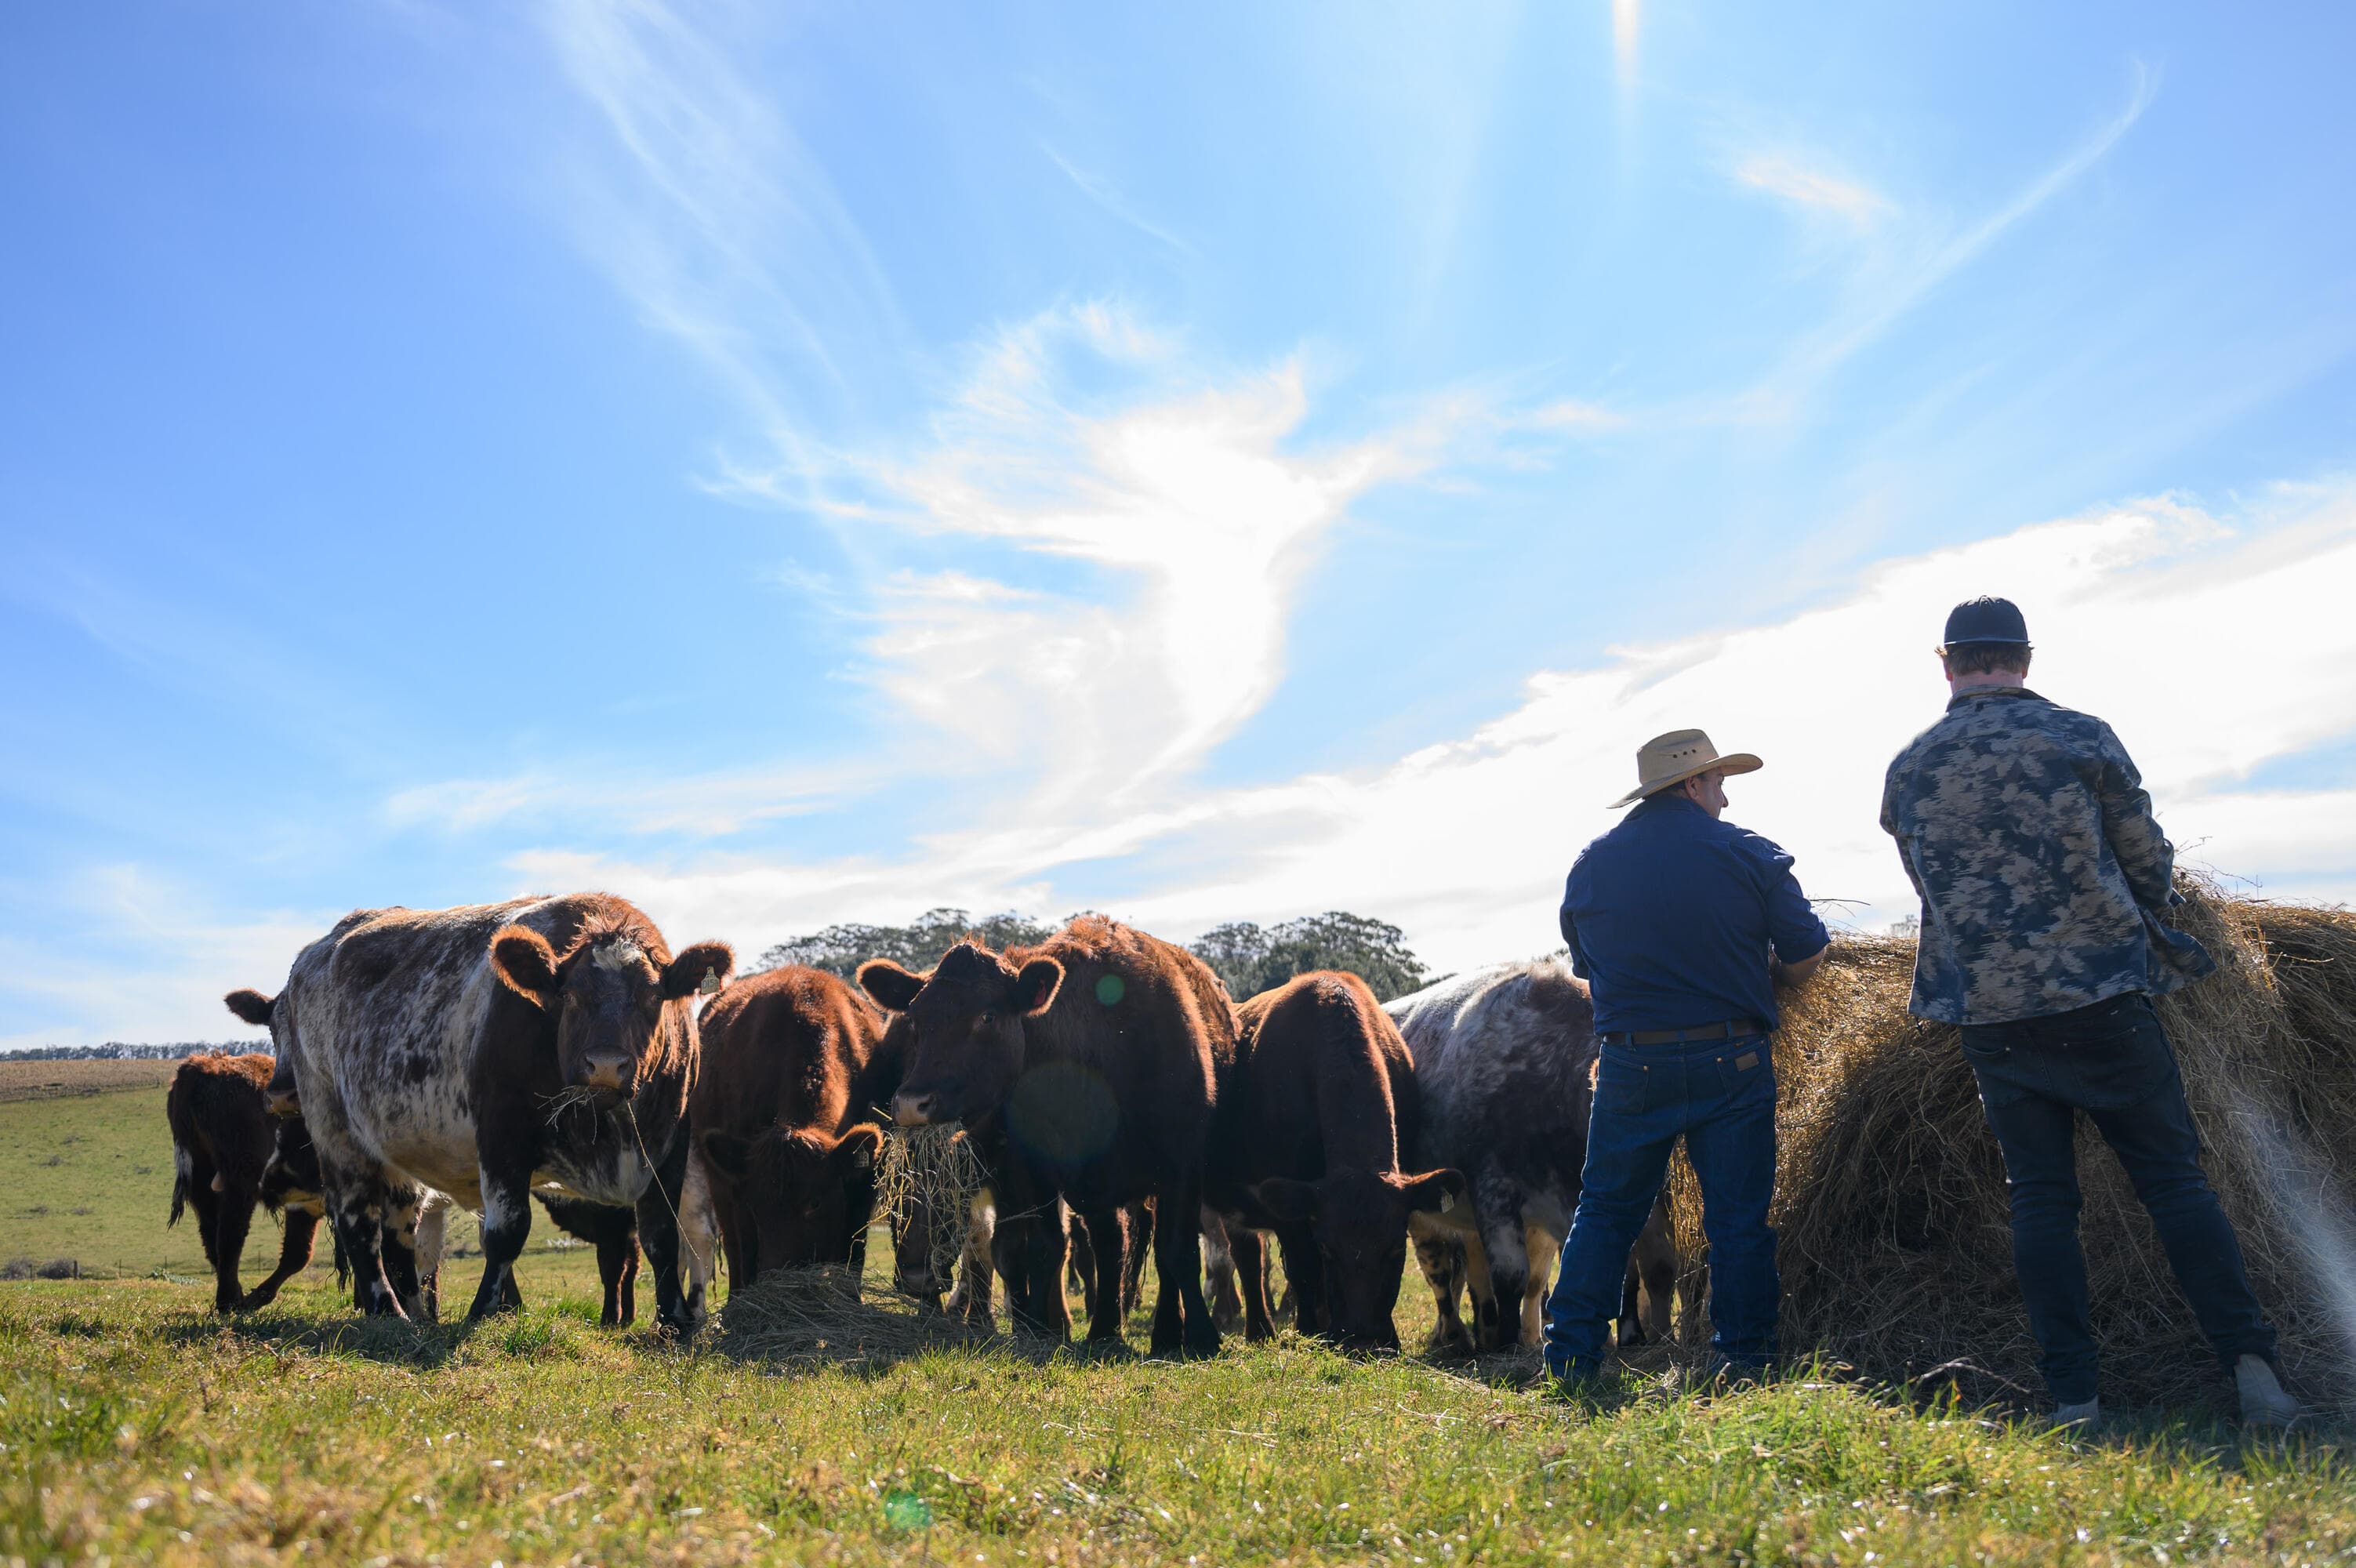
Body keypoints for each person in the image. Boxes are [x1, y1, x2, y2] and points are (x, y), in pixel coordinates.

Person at [1880, 596, 2298, 1432]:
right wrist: (2149, 918)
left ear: (1946, 662)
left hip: (1993, 1014)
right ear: (2024, 657)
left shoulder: (1910, 766)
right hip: (2101, 994)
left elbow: (1927, 882)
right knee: (2175, 1184)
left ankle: (2075, 1398)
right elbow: (2144, 857)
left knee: (2038, 1200)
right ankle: (2254, 1375)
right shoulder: (2077, 736)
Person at [1542, 729, 1828, 1387]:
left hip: (1629, 1064)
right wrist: (1760, 974)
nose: (1725, 799)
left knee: (1607, 1210)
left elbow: (1589, 971)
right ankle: (1742, 1360)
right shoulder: (1749, 854)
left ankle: (1570, 1357)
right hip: (1732, 1058)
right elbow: (1809, 957)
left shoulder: (1591, 864)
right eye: (1719, 783)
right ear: (1694, 784)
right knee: (1736, 1218)